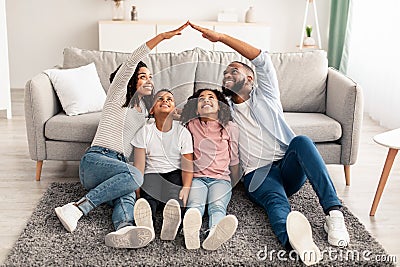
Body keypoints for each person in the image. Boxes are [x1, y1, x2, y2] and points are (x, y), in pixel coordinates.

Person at [189, 22, 350, 265]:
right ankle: (295, 245)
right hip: (257, 174)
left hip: (288, 165)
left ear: (250, 78)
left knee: (303, 142)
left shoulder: (267, 94)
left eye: (234, 71)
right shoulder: (224, 111)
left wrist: (221, 37)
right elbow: (193, 109)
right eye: (225, 74)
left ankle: (334, 213)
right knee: (276, 204)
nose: (227, 75)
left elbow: (261, 58)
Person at [54, 22, 189, 249]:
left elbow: (170, 114)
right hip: (96, 161)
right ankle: (78, 208)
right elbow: (132, 60)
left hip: (119, 171)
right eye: (143, 76)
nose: (149, 80)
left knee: (127, 194)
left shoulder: (146, 113)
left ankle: (124, 229)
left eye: (151, 77)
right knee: (136, 176)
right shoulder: (117, 97)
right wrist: (162, 37)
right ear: (131, 80)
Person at [180, 88, 239, 250]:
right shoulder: (190, 125)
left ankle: (214, 232)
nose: (206, 100)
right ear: (196, 109)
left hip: (221, 180)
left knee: (217, 206)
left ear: (220, 106)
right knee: (195, 204)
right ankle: (190, 231)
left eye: (211, 97)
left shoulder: (230, 127)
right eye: (201, 99)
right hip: (197, 178)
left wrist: (235, 182)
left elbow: (234, 159)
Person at [131, 89, 194, 242]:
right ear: (152, 110)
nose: (165, 101)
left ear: (174, 110)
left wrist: (186, 188)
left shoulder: (182, 132)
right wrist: (137, 190)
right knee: (149, 197)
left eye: (169, 99)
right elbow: (139, 164)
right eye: (160, 99)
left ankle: (171, 224)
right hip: (151, 173)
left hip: (174, 173)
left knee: (175, 197)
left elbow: (187, 166)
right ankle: (147, 224)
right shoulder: (145, 131)